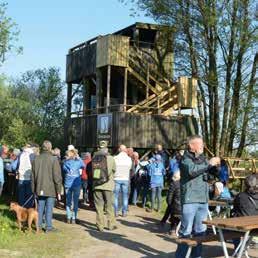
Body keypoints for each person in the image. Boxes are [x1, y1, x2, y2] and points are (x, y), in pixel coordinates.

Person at [175, 135, 220, 258]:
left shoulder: (203, 159)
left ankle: (197, 256)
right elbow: (192, 171)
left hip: (203, 199)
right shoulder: (185, 159)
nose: (202, 146)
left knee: (201, 231)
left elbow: (212, 174)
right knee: (186, 231)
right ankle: (181, 256)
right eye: (199, 144)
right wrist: (209, 164)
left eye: (202, 143)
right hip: (190, 200)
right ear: (191, 146)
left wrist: (216, 166)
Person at [31, 140, 62, 232]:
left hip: (39, 187)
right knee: (49, 208)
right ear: (50, 148)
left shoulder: (36, 159)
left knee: (40, 207)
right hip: (51, 188)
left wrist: (33, 189)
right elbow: (57, 177)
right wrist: (59, 191)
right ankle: (48, 227)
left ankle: (39, 226)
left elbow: (32, 176)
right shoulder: (54, 159)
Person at [92, 144, 116, 231]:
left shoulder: (94, 158)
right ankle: (111, 225)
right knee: (109, 206)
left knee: (99, 206)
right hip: (108, 185)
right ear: (107, 149)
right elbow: (114, 170)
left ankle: (100, 225)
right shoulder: (111, 158)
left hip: (97, 185)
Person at [232, 174, 258, 249]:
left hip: (243, 228)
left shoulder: (240, 196)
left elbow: (235, 207)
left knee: (233, 226)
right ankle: (242, 248)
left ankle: (238, 248)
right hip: (255, 227)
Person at [63, 149, 85, 223]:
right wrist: (79, 158)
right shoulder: (78, 162)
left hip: (67, 184)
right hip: (76, 184)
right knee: (75, 202)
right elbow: (84, 166)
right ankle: (74, 218)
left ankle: (68, 217)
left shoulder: (65, 163)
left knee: (68, 201)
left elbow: (64, 170)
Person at [114, 145, 133, 217]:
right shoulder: (129, 159)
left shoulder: (115, 158)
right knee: (125, 196)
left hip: (116, 178)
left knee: (115, 196)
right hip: (125, 178)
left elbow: (113, 168)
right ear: (125, 150)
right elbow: (130, 168)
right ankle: (124, 212)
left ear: (119, 150)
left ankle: (116, 212)